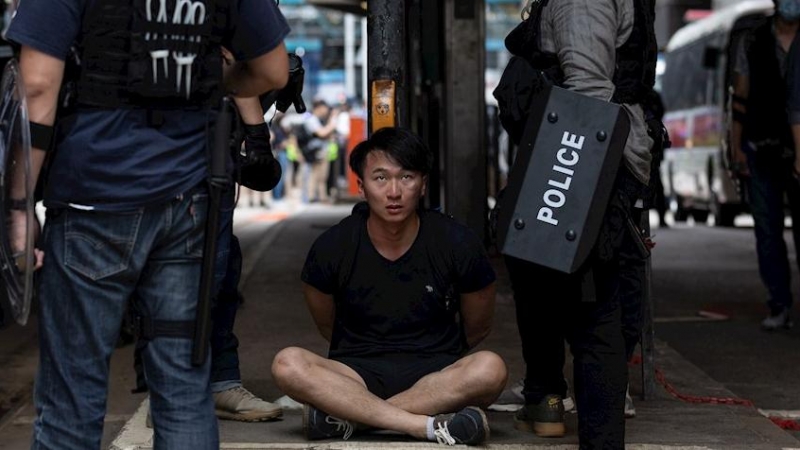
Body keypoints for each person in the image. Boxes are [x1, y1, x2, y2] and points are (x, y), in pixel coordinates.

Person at [5, 0, 289, 447]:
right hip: (191, 205)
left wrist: (18, 208)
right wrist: (216, 84)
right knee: (183, 385)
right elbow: (273, 71)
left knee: (72, 395)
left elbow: (38, 87)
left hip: (92, 202)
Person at [270, 127, 507, 446]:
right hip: (354, 375)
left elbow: (478, 325)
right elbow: (326, 323)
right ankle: (422, 426)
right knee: (287, 363)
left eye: (406, 177)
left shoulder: (457, 242)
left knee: (490, 369)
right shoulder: (333, 246)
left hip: (436, 375)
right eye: (380, 178)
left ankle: (352, 421)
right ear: (361, 186)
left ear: (422, 184)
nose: (393, 192)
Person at [499, 0, 657, 448]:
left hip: (584, 162)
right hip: (582, 162)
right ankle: (550, 397)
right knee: (580, 299)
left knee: (597, 311)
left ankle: (557, 403)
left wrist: (581, 188)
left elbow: (589, 94)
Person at [730, 0, 800, 331]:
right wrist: (736, 147)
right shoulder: (754, 40)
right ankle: (779, 303)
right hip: (762, 147)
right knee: (768, 231)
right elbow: (740, 95)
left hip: (797, 146)